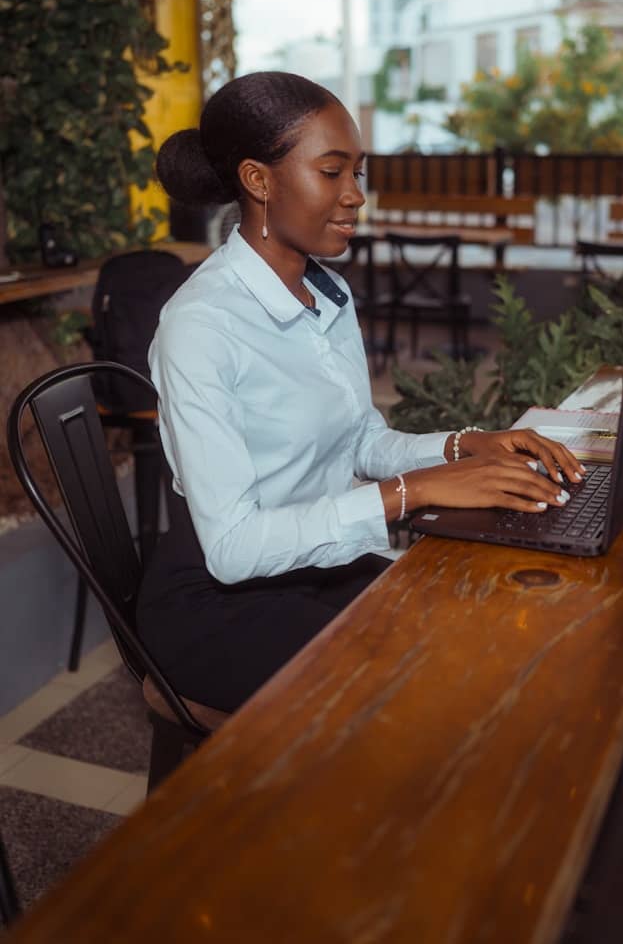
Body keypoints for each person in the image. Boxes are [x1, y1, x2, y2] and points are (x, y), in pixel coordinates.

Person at [137, 72, 584, 713]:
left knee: (485, 630)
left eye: (359, 174)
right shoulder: (201, 325)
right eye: (332, 172)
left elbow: (361, 442)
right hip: (222, 600)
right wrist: (415, 491)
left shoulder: (326, 293)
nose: (355, 197)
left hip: (315, 567)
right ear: (258, 181)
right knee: (432, 688)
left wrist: (465, 446)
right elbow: (234, 549)